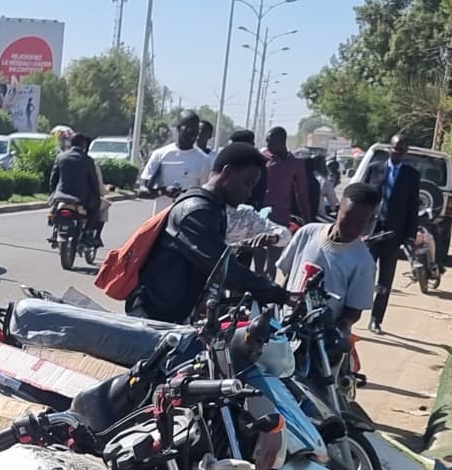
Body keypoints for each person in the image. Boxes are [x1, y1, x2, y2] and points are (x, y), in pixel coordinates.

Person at [128, 140, 288, 324]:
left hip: (174, 312)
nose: (249, 193)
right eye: (247, 183)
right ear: (227, 173)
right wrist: (276, 292)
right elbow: (221, 266)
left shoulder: (214, 208)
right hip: (153, 315)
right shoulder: (197, 210)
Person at [277, 181, 381, 328]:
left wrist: (338, 330)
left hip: (321, 336)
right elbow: (290, 277)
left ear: (370, 222)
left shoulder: (364, 262)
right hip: (285, 324)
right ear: (338, 209)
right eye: (348, 220)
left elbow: (353, 311)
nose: (351, 229)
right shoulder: (307, 233)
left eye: (360, 224)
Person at [366, 136, 424, 334]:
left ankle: (376, 319)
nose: (398, 152)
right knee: (362, 272)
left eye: (402, 150)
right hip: (371, 232)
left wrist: (410, 235)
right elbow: (363, 199)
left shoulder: (411, 175)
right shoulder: (375, 169)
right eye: (395, 148)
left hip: (393, 234)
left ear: (405, 152)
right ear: (389, 149)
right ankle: (351, 313)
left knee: (385, 280)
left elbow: (412, 207)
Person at [49, 127, 105, 241]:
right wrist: (96, 194)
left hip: (61, 196)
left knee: (53, 208)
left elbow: (53, 178)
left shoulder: (61, 157)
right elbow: (93, 181)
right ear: (83, 146)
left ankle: (54, 231)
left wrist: (53, 193)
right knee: (96, 206)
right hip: (81, 198)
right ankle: (87, 232)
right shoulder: (88, 160)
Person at [261, 126, 315, 228]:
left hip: (280, 218)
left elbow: (301, 193)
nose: (268, 146)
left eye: (270, 142)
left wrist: (307, 221)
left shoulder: (295, 163)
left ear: (281, 142)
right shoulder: (262, 158)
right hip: (259, 215)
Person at [142, 114, 205, 194]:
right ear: (179, 128)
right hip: (163, 206)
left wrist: (186, 195)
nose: (193, 134)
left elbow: (205, 193)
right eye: (189, 129)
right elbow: (142, 191)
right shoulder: (159, 154)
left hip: (188, 206)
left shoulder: (204, 160)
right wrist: (163, 191)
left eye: (196, 130)